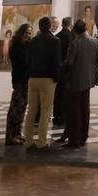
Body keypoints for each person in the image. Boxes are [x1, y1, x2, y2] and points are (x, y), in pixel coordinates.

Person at [23, 16, 62, 150]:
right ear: (50, 26)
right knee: (46, 110)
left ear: (39, 27)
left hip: (33, 78)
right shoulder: (55, 41)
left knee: (31, 110)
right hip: (47, 79)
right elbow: (57, 62)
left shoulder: (33, 41)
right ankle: (41, 142)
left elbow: (28, 60)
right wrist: (56, 79)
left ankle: (28, 141)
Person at [62, 18, 98, 149]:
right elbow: (97, 59)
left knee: (74, 111)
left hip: (75, 81)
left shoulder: (75, 43)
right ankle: (83, 136)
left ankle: (74, 141)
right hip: (89, 79)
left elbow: (69, 63)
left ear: (75, 30)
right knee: (85, 108)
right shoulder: (95, 41)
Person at [5, 23, 34, 144]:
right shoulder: (16, 47)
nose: (28, 35)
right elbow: (22, 63)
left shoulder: (27, 46)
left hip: (26, 80)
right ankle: (10, 135)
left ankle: (17, 132)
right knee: (15, 108)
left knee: (22, 108)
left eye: (29, 33)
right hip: (19, 80)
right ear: (21, 33)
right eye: (27, 32)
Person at [52, 16, 72, 130]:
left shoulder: (57, 36)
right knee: (65, 95)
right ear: (69, 24)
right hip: (67, 70)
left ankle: (56, 117)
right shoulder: (70, 37)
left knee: (57, 94)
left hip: (58, 69)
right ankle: (63, 118)